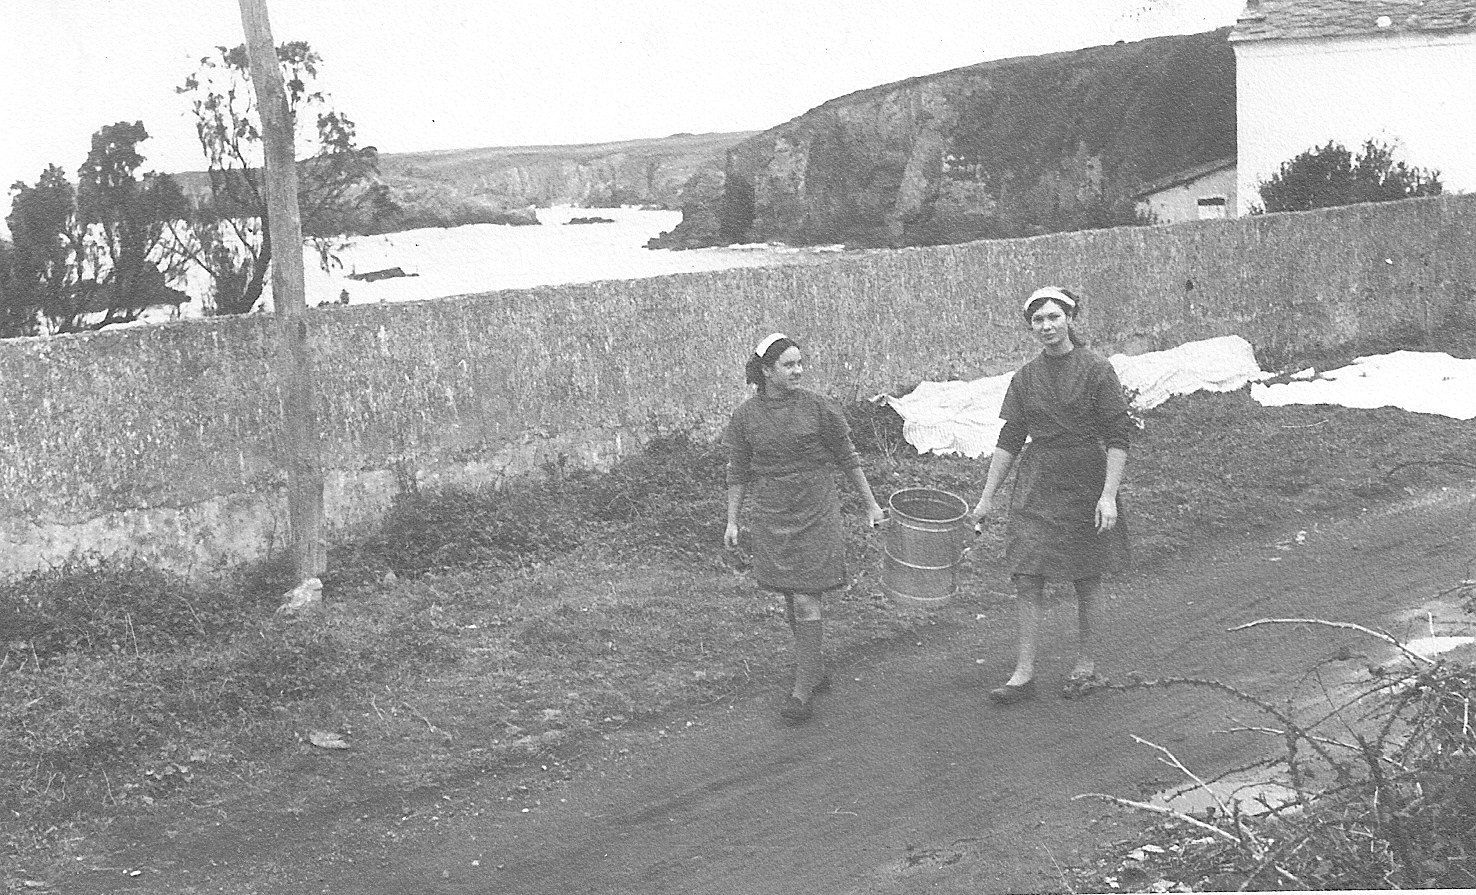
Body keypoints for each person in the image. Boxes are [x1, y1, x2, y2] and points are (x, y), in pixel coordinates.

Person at [969, 287, 1133, 704]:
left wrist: (1108, 495)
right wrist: (987, 498)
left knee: (1085, 574)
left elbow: (1117, 435)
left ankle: (1086, 664)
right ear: (1030, 327)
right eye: (1038, 320)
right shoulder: (1025, 378)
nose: (1047, 326)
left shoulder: (1097, 369)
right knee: (1027, 573)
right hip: (1038, 481)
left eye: (1054, 317)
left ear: (1070, 318)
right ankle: (1023, 674)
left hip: (1085, 478)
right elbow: (1009, 438)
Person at [723, 333, 887, 724]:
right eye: (789, 365)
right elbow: (738, 470)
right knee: (789, 592)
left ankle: (801, 690)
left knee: (805, 597)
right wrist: (732, 519)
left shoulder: (820, 409)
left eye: (800, 363)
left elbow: (848, 459)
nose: (798, 371)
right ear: (767, 371)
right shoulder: (746, 416)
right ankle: (812, 667)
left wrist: (871, 504)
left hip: (815, 507)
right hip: (772, 511)